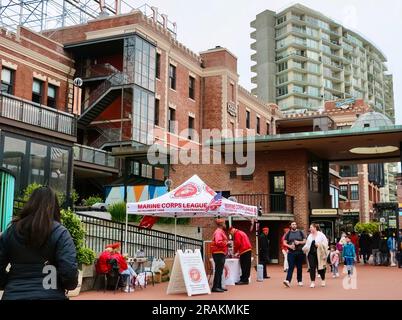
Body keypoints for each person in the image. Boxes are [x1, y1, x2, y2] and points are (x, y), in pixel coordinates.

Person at [0, 186, 78, 300]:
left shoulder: (11, 232)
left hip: (13, 294)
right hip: (51, 294)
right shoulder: (60, 233)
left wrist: (10, 283)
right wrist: (63, 285)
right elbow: (69, 273)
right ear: (54, 206)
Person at [302, 224, 329, 288]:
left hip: (319, 254)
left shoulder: (321, 235)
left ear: (315, 228)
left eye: (311, 227)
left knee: (320, 268)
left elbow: (326, 243)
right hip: (311, 254)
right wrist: (303, 249)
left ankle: (323, 280)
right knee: (312, 268)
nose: (310, 228)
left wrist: (319, 245)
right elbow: (307, 244)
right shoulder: (310, 236)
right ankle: (312, 282)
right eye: (310, 227)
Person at [283, 221, 306, 288]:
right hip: (291, 252)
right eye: (293, 224)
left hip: (299, 252)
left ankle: (300, 281)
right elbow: (284, 242)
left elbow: (305, 241)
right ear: (290, 226)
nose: (294, 225)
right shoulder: (288, 233)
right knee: (291, 267)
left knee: (299, 267)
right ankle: (287, 281)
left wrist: (299, 242)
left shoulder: (300, 232)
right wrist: (289, 246)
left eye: (295, 224)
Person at [210, 218, 228, 293]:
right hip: (218, 253)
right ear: (221, 224)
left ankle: (219, 286)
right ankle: (215, 287)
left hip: (220, 252)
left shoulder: (220, 231)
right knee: (218, 270)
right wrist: (227, 243)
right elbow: (218, 242)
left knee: (220, 270)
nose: (225, 224)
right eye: (224, 223)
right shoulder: (218, 232)